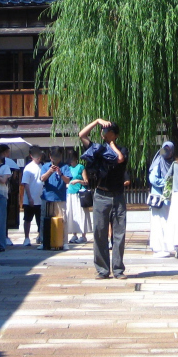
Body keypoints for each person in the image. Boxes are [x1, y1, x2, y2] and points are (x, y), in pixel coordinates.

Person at [79, 118, 128, 279]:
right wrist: (97, 122)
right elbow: (82, 135)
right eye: (104, 130)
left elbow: (119, 158)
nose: (104, 133)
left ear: (115, 134)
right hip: (101, 195)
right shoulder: (97, 150)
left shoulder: (122, 149)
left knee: (119, 234)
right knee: (99, 233)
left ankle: (118, 270)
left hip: (118, 196)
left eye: (109, 131)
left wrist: (112, 143)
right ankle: (102, 270)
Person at [147, 141, 176, 258]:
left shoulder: (172, 163)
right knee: (159, 223)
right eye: (165, 149)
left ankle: (166, 247)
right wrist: (167, 182)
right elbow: (153, 179)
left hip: (168, 198)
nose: (166, 152)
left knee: (166, 222)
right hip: (158, 199)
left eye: (169, 150)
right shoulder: (159, 162)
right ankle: (160, 247)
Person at [39, 147, 68, 248]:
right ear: (50, 156)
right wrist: (50, 171)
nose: (55, 158)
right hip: (47, 196)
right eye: (53, 156)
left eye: (58, 156)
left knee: (62, 220)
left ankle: (64, 242)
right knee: (45, 220)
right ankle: (44, 242)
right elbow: (42, 178)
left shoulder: (64, 166)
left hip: (60, 197)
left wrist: (60, 173)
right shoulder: (45, 166)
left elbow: (68, 181)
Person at [64, 148, 90, 244]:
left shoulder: (81, 167)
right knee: (72, 213)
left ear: (75, 158)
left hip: (79, 193)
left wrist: (78, 181)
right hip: (70, 193)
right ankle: (74, 234)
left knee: (81, 213)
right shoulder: (68, 168)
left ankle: (83, 235)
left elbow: (86, 181)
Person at [20, 147, 44, 246]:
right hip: (30, 199)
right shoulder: (28, 168)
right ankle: (26, 238)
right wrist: (29, 197)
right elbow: (25, 183)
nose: (38, 157)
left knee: (40, 220)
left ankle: (40, 236)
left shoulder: (42, 166)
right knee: (27, 219)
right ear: (31, 156)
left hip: (40, 198)